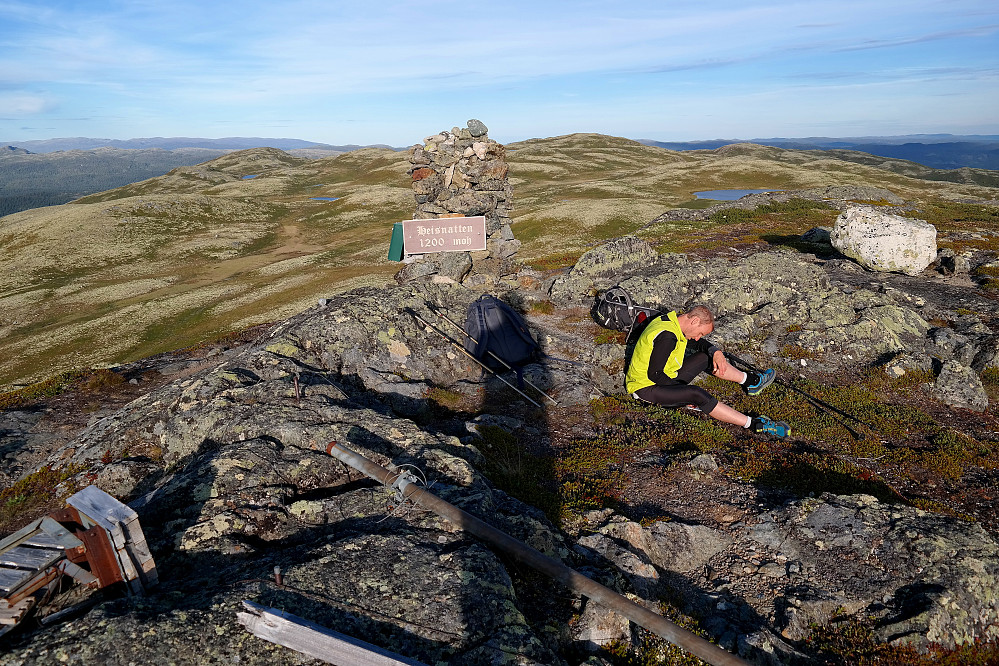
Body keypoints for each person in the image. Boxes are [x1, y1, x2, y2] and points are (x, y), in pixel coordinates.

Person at [625, 305, 789, 438]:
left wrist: (715, 352)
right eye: (700, 333)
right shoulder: (667, 336)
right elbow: (655, 374)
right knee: (696, 394)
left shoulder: (670, 322)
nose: (698, 337)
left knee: (705, 357)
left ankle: (750, 382)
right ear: (695, 321)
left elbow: (698, 344)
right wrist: (682, 393)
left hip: (665, 378)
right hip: (646, 389)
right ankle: (754, 424)